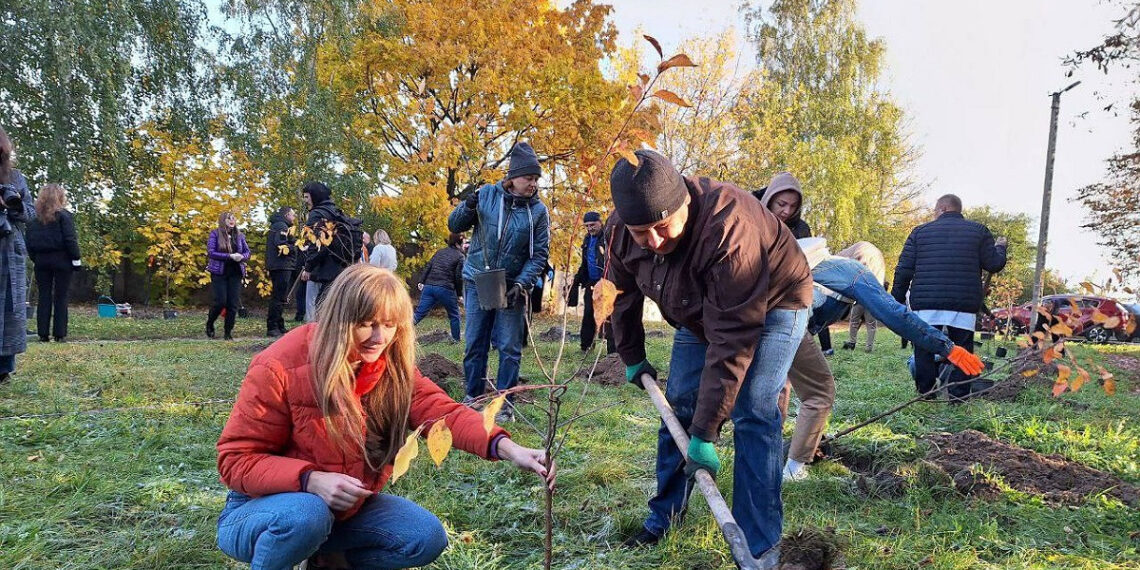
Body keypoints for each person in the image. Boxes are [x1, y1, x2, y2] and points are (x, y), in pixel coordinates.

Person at [215, 264, 554, 570]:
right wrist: (310, 480)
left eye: (389, 325)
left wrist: (508, 448)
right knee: (306, 515)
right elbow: (235, 460)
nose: (379, 338)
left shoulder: (390, 367)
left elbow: (444, 413)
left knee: (424, 536)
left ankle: (324, 560)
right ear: (339, 319)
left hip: (342, 514)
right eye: (366, 325)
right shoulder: (279, 366)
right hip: (261, 509)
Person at [609, 150, 811, 563]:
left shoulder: (728, 228)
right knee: (678, 405)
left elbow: (733, 338)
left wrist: (705, 433)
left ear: (683, 203)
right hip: (699, 309)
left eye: (662, 227)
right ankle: (664, 517)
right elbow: (620, 294)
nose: (654, 242)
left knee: (755, 410)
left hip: (778, 301)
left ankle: (759, 544)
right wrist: (631, 354)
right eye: (641, 232)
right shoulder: (620, 231)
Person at [778, 239, 985, 481]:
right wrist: (946, 347)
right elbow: (893, 313)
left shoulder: (816, 265)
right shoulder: (855, 272)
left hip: (765, 319)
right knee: (819, 393)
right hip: (788, 322)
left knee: (774, 388)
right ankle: (793, 471)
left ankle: (764, 451)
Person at [448, 142, 550, 422]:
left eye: (536, 179)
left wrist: (522, 283)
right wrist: (468, 205)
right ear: (513, 177)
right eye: (529, 178)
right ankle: (473, 397)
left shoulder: (538, 212)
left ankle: (504, 405)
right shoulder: (486, 196)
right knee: (475, 343)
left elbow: (539, 255)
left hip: (511, 286)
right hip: (477, 280)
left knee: (508, 347)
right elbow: (454, 226)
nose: (533, 184)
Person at [892, 194, 1007, 400]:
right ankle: (958, 397)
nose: (933, 215)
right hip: (963, 303)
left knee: (924, 349)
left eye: (934, 211)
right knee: (963, 350)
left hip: (926, 303)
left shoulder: (919, 232)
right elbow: (994, 264)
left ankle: (926, 393)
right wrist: (1000, 247)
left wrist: (896, 299)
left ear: (943, 208)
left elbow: (904, 269)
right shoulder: (979, 231)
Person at [756, 173, 833, 355]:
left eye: (793, 206)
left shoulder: (801, 228)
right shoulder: (751, 218)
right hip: (757, 301)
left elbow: (808, 265)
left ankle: (824, 345)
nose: (786, 211)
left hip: (791, 302)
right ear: (770, 198)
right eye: (781, 204)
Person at [0, 126, 35, 384]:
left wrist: (12, 206)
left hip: (9, 250)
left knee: (10, 309)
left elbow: (30, 213)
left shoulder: (15, 177)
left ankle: (4, 368)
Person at [25, 184, 81, 343]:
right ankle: (59, 334)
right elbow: (70, 239)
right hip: (62, 260)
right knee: (61, 296)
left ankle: (43, 334)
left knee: (44, 296)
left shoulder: (34, 219)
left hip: (41, 260)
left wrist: (36, 258)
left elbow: (29, 243)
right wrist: (76, 259)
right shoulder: (64, 216)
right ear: (60, 197)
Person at [299, 181, 353, 320]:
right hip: (337, 267)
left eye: (307, 197)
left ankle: (314, 332)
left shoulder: (316, 214)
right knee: (330, 308)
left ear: (315, 196)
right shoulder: (336, 213)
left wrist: (308, 267)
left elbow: (316, 243)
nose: (305, 200)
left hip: (319, 269)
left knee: (314, 309)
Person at [567, 211, 614, 353]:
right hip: (592, 283)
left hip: (607, 283)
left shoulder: (607, 238)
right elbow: (586, 263)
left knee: (609, 316)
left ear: (600, 223)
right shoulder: (587, 240)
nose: (590, 228)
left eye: (592, 225)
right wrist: (576, 281)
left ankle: (613, 351)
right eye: (587, 226)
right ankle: (586, 347)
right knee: (588, 314)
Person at [413, 232, 465, 342]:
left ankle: (399, 331)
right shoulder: (460, 256)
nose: (464, 244)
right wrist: (459, 294)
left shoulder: (440, 252)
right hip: (445, 288)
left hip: (429, 287)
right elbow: (458, 277)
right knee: (454, 315)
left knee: (418, 314)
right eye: (463, 242)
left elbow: (429, 266)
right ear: (458, 243)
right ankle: (456, 339)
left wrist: (422, 281)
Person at [206, 212, 250, 341]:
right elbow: (211, 252)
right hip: (219, 272)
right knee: (220, 302)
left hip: (235, 273)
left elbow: (247, 252)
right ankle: (210, 323)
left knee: (233, 304)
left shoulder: (239, 235)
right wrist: (229, 256)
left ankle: (228, 333)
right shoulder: (215, 234)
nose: (232, 220)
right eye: (228, 218)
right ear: (222, 220)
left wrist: (242, 256)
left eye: (233, 218)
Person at [266, 206, 297, 338]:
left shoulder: (278, 225)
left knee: (280, 297)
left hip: (279, 265)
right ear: (286, 215)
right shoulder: (281, 226)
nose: (294, 217)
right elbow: (281, 244)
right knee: (279, 297)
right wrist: (295, 247)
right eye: (293, 214)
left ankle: (279, 324)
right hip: (281, 265)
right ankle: (272, 326)